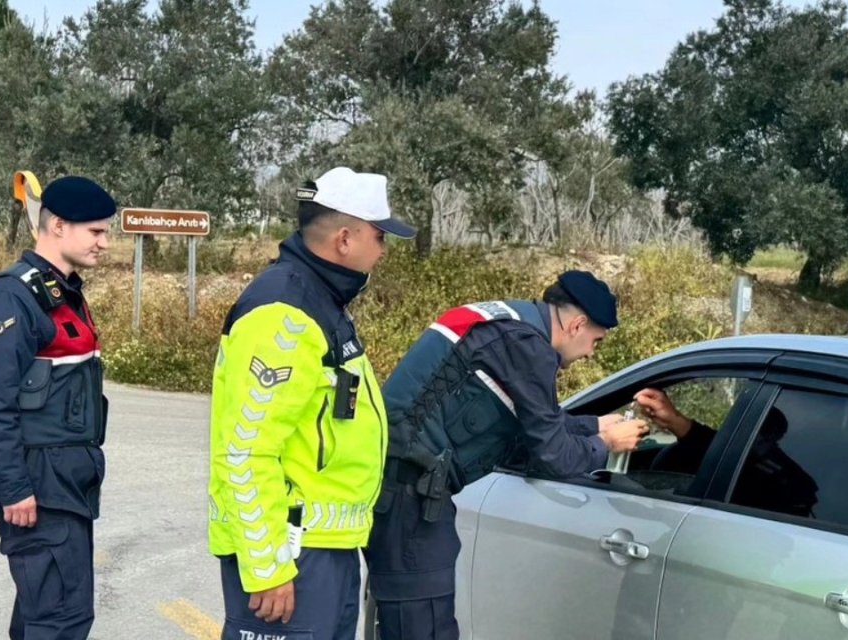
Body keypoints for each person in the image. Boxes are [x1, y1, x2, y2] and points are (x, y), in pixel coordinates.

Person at [366, 270, 648, 640]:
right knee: (423, 629)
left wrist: (594, 425)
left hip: (400, 490)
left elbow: (537, 419)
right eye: (596, 340)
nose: (592, 352)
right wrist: (607, 444)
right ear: (577, 324)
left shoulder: (508, 322)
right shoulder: (528, 346)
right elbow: (554, 455)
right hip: (410, 500)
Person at [208, 167, 413, 639]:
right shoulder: (284, 311)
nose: (383, 251)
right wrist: (267, 566)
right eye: (380, 237)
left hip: (325, 549)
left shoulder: (321, 301)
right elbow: (246, 449)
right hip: (291, 556)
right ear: (345, 238)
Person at [0, 176, 116, 639]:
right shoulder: (11, 297)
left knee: (42, 615)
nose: (105, 243)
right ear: (59, 226)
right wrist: (13, 488)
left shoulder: (60, 290)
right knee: (60, 619)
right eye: (96, 232)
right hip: (37, 482)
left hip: (66, 481)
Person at [634, 388, 817, 516]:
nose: (755, 439)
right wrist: (673, 420)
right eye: (746, 431)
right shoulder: (733, 454)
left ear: (776, 437)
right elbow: (710, 444)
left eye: (763, 434)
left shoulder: (788, 478)